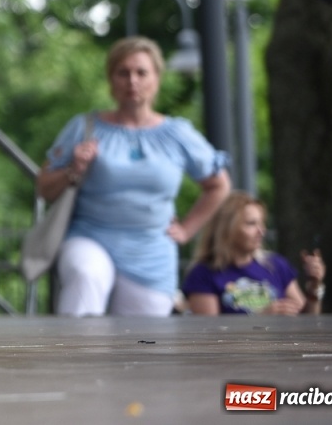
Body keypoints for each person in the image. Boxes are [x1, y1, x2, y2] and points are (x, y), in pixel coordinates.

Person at [38, 36, 231, 317]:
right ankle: (74, 360)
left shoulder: (178, 134)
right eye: (123, 72)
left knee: (145, 345)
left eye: (141, 72)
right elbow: (43, 187)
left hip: (151, 253)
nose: (132, 81)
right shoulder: (85, 127)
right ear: (111, 79)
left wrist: (187, 229)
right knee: (85, 274)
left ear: (157, 79)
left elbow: (218, 185)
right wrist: (73, 169)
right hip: (91, 237)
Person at [183, 192, 326, 315]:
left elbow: (308, 322)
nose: (261, 231)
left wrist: (314, 287)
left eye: (262, 223)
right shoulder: (203, 274)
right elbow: (207, 335)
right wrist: (258, 319)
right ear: (227, 229)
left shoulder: (276, 265)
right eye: (251, 224)